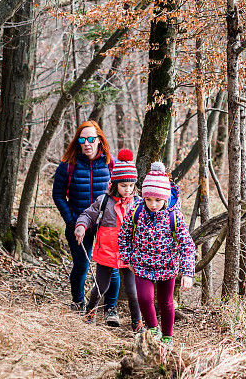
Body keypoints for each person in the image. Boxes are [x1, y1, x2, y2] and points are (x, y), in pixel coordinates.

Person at [118, 161, 195, 345]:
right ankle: (153, 328)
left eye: (158, 200)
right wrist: (127, 257)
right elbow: (124, 235)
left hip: (167, 265)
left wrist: (187, 273)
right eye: (149, 199)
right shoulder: (136, 211)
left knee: (166, 302)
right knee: (144, 298)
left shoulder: (174, 216)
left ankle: (167, 337)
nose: (153, 204)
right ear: (143, 197)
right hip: (142, 264)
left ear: (165, 199)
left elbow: (187, 245)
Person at [51, 121, 118, 317]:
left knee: (110, 266)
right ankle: (78, 301)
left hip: (106, 225)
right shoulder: (68, 165)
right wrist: (71, 220)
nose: (87, 143)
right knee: (81, 265)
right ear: (78, 141)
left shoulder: (110, 163)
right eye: (83, 139)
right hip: (78, 223)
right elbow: (57, 195)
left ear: (99, 140)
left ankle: (110, 309)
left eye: (91, 139)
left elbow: (121, 193)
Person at [74, 149, 143, 330]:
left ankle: (137, 322)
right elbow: (88, 215)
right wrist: (81, 226)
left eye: (130, 186)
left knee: (132, 290)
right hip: (106, 251)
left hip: (130, 255)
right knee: (100, 286)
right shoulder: (104, 201)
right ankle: (90, 311)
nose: (127, 189)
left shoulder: (139, 204)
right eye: (123, 186)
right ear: (114, 184)